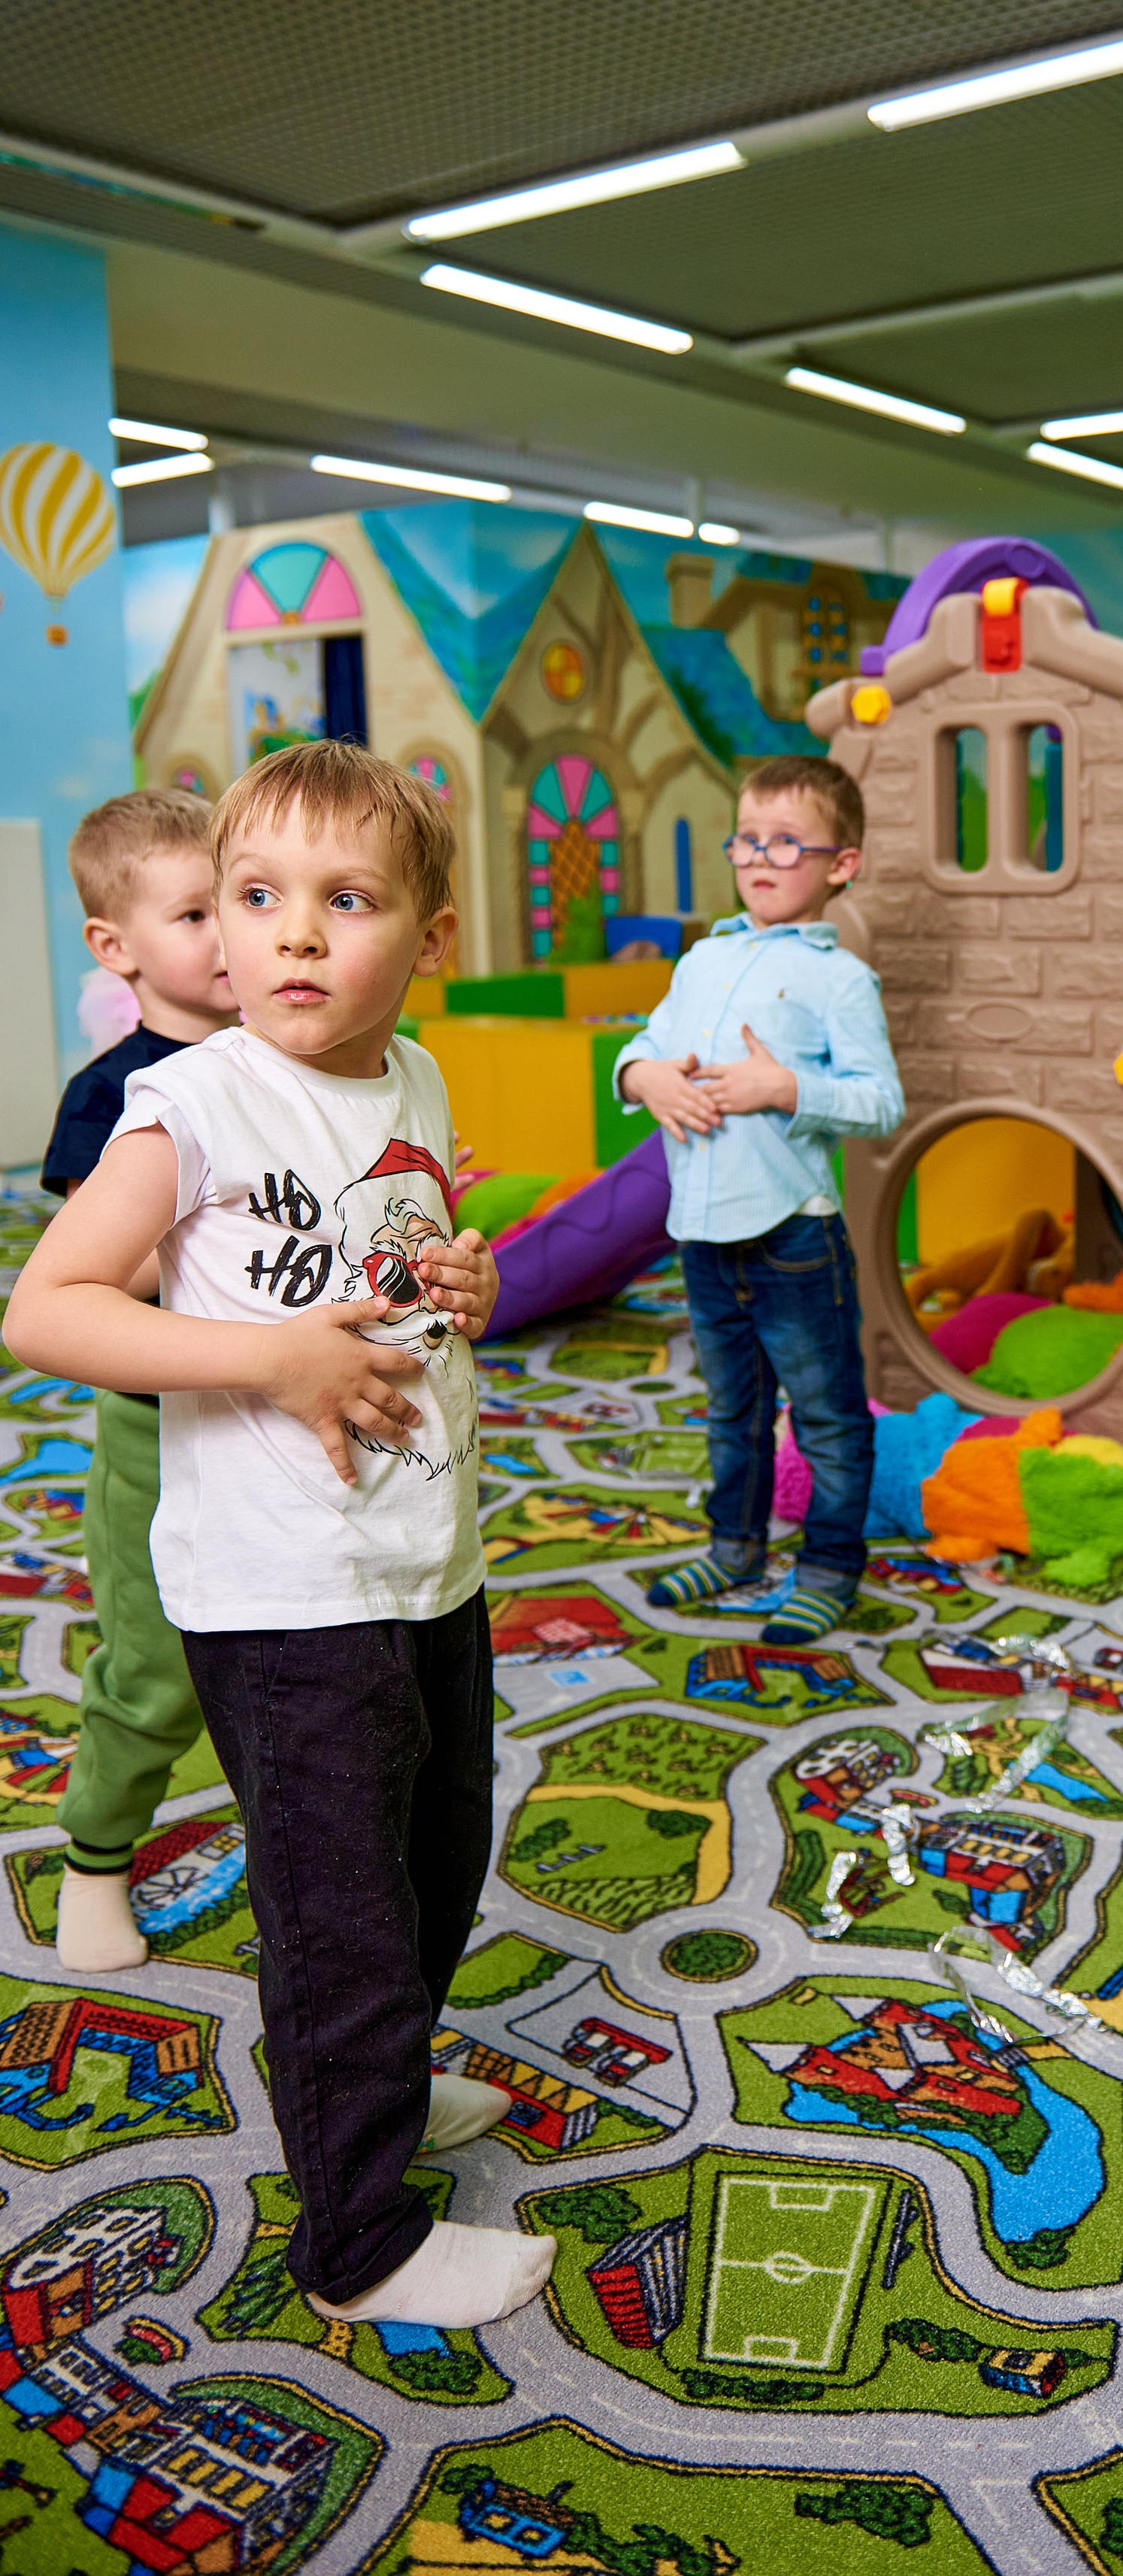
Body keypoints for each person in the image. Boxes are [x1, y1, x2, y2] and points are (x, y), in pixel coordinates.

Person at [6, 741, 554, 2332]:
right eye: (258, 897)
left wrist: (472, 1282)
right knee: (341, 1911)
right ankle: (361, 2236)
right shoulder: (188, 1102)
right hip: (277, 1586)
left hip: (421, 1558)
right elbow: (49, 1309)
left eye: (346, 898)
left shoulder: (417, 1081)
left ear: (431, 940)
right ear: (217, 935)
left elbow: (406, 1252)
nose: (296, 934)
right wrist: (277, 1356)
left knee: (438, 1849)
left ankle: (368, 2092)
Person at [614, 755, 903, 1646]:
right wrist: (645, 1075)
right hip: (701, 1236)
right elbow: (642, 1050)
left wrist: (786, 1088)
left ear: (839, 864)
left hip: (792, 1239)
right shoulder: (702, 959)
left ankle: (826, 1565)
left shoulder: (839, 978)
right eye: (748, 838)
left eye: (787, 841)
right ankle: (734, 1547)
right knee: (729, 1410)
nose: (761, 857)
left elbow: (880, 1101)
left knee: (823, 1414)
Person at [43, 789, 235, 1974]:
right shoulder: (111, 1094)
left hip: (289, 1416)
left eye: (246, 899)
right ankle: (97, 1855)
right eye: (197, 911)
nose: (233, 934)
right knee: (155, 1668)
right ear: (117, 946)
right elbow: (97, 1270)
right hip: (158, 1430)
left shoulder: (286, 1054)